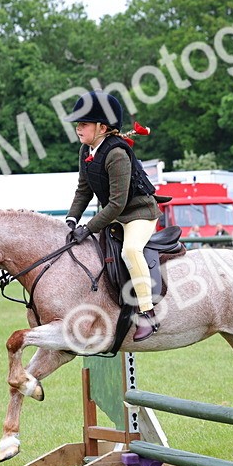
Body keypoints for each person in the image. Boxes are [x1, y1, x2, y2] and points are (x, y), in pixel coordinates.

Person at [63, 91, 171, 341]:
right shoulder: (86, 151)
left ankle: (147, 313)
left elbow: (116, 204)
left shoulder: (117, 155)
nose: (78, 129)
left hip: (138, 214)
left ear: (102, 127)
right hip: (115, 213)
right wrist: (71, 219)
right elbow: (84, 189)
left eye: (84, 124)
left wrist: (88, 227)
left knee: (130, 251)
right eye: (78, 124)